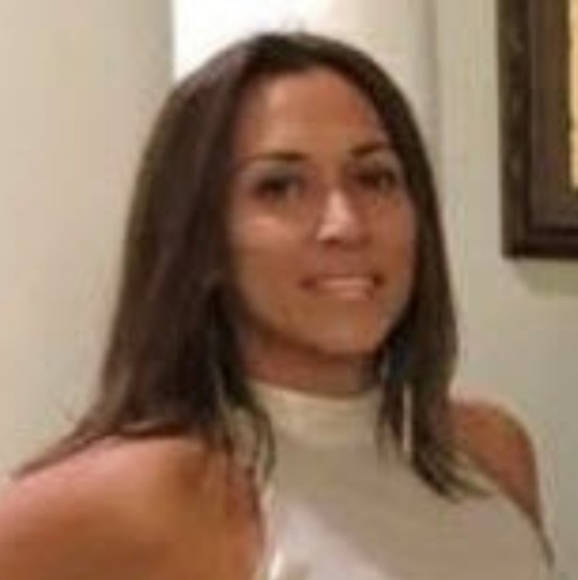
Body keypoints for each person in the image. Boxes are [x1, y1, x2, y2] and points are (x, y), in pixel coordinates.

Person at [0, 31, 554, 579]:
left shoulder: (489, 450)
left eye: (375, 177)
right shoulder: (164, 489)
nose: (346, 223)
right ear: (203, 240)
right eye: (281, 187)